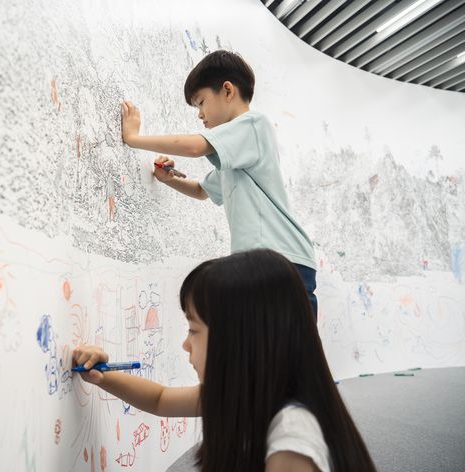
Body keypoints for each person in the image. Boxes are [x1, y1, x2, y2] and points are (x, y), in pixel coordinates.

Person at [72, 249, 378, 472]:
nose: (185, 344)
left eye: (193, 330)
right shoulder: (247, 388)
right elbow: (160, 399)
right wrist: (101, 377)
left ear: (240, 339)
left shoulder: (293, 438)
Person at [121, 50, 318, 320]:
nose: (200, 115)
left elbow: (193, 147)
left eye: (201, 102)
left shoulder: (253, 125)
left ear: (227, 90)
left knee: (282, 354)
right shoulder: (235, 158)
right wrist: (170, 179)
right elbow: (202, 190)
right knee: (267, 351)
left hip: (281, 259)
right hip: (268, 262)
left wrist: (133, 138)